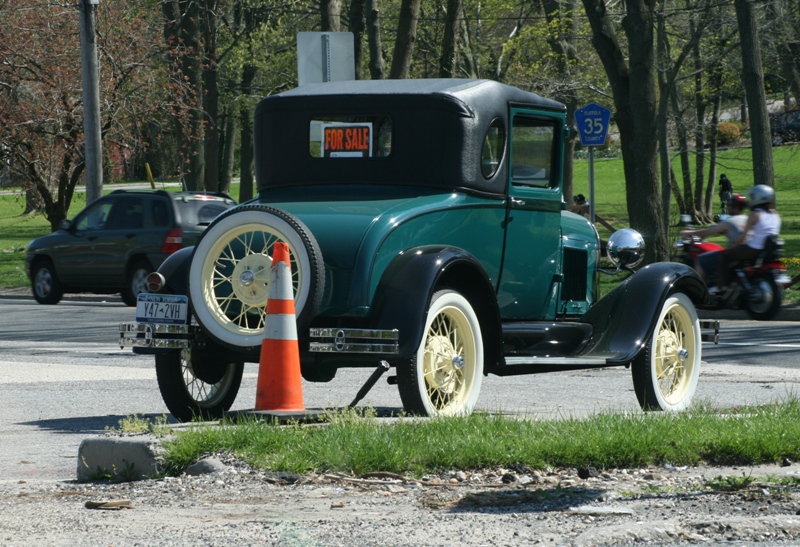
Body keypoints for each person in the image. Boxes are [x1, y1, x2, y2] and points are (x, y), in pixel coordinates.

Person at [715, 184, 781, 292]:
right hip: (769, 249)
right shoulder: (775, 214)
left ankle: (721, 287)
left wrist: (735, 244)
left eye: (753, 197)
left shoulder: (755, 215)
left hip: (753, 249)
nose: (751, 200)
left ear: (758, 198)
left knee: (724, 256)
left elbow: (743, 236)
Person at [680, 194, 748, 285]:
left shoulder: (729, 221)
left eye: (729, 205)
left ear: (732, 206)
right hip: (747, 254)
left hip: (734, 255)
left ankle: (700, 291)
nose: (728, 207)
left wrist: (690, 233)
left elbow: (708, 232)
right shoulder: (748, 219)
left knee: (700, 260)